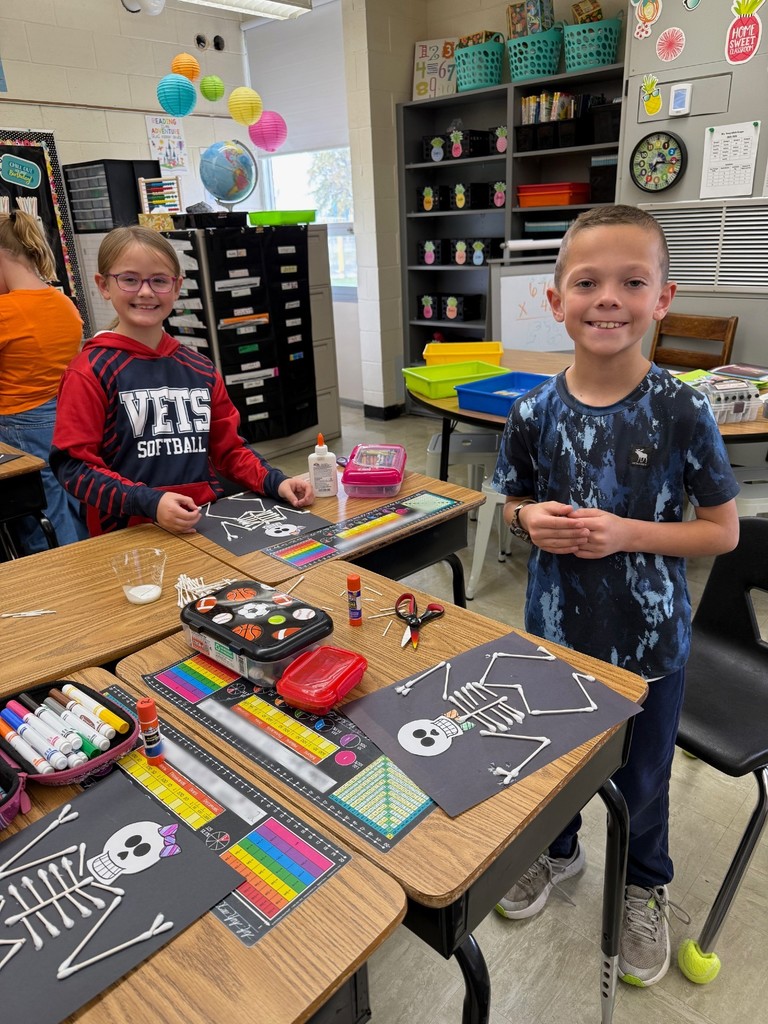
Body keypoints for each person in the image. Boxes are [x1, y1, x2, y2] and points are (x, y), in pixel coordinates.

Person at [491, 205, 740, 988]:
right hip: (554, 637)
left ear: (662, 298)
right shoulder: (532, 411)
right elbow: (509, 503)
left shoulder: (681, 409)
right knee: (554, 762)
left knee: (643, 778)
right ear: (556, 299)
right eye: (586, 282)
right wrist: (526, 518)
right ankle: (556, 851)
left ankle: (643, 883)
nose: (607, 298)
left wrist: (628, 533)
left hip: (650, 645)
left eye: (632, 282)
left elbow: (722, 531)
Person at [50, 225, 313, 536]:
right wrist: (150, 502)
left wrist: (275, 481)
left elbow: (229, 450)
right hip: (129, 534)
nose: (146, 292)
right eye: (130, 279)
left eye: (159, 280)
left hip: (202, 523)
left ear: (176, 287)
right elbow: (74, 468)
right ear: (104, 285)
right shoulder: (90, 371)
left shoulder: (200, 369)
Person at [0, 208, 84, 553]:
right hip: (61, 416)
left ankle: (62, 577)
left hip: (18, 425)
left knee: (42, 518)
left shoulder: (6, 311)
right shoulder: (63, 302)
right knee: (71, 504)